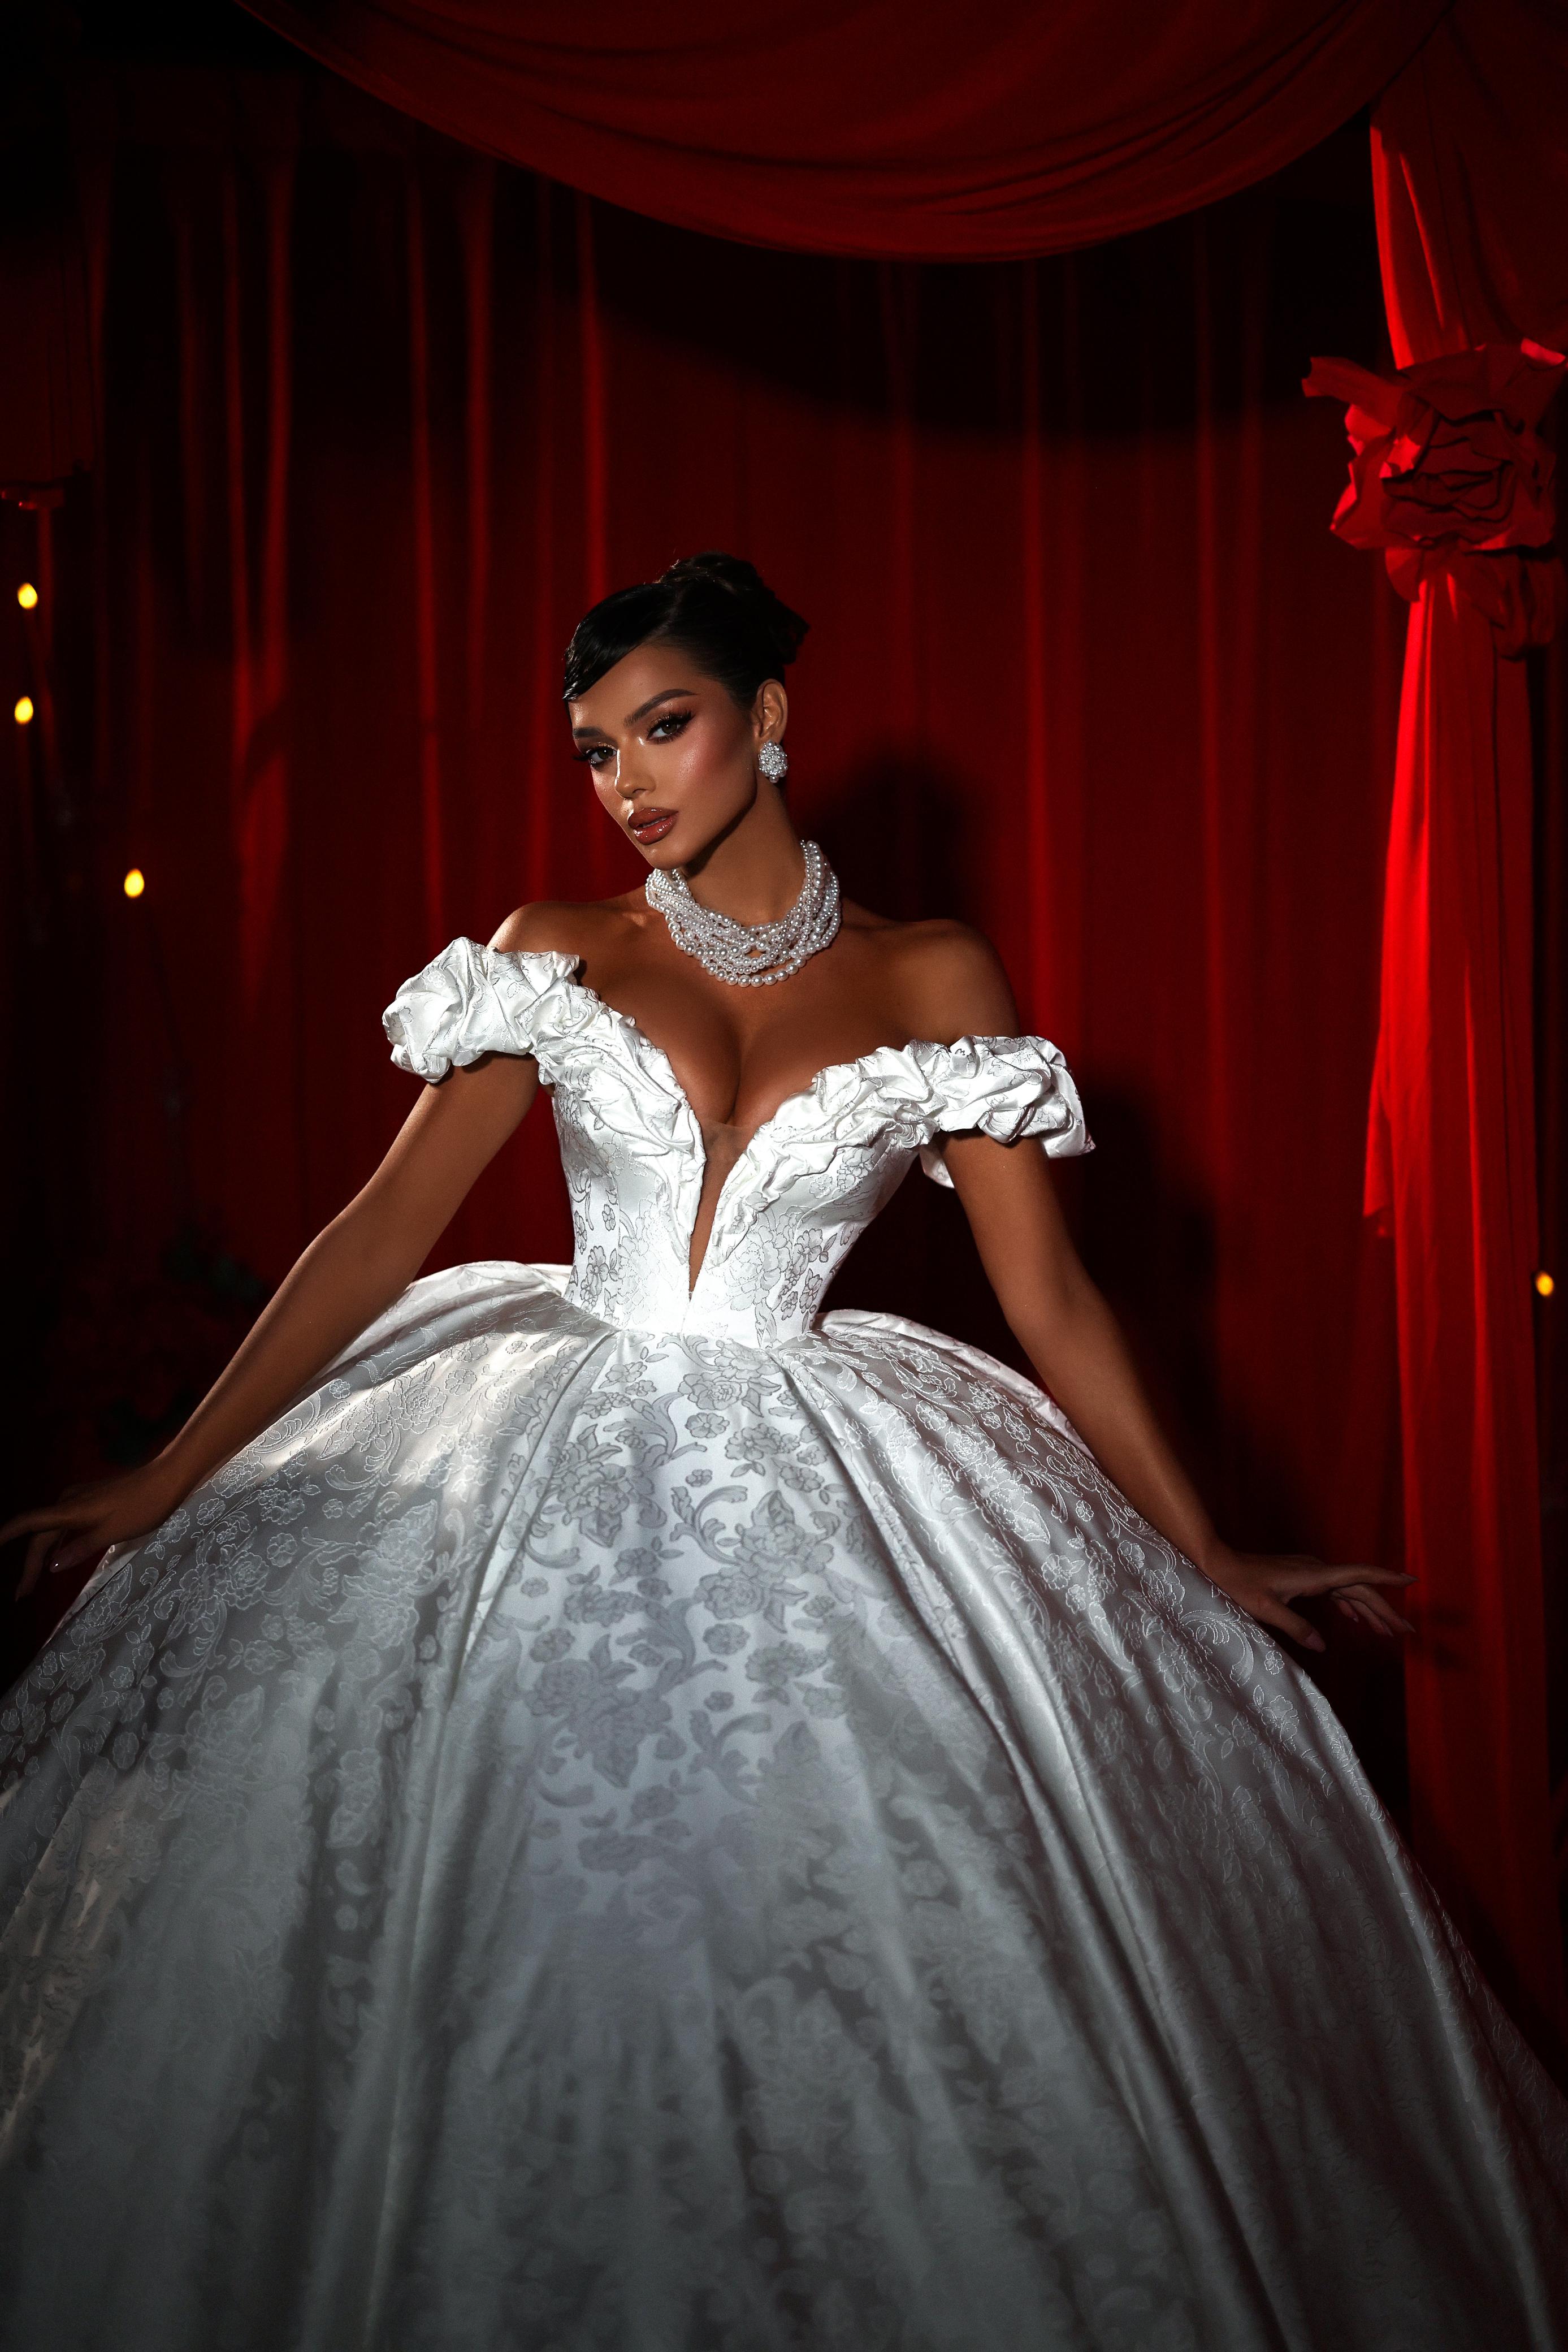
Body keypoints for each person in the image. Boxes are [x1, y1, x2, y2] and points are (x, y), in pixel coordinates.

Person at [1, 551, 1564, 2351]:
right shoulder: (556, 949)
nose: (627, 782)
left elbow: (1051, 1297)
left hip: (821, 1476)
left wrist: (1203, 1544)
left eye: (662, 726)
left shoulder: (930, 970)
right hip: (535, 1455)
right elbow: (376, 1237)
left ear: (770, 719)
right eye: (596, 749)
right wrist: (169, 1474)